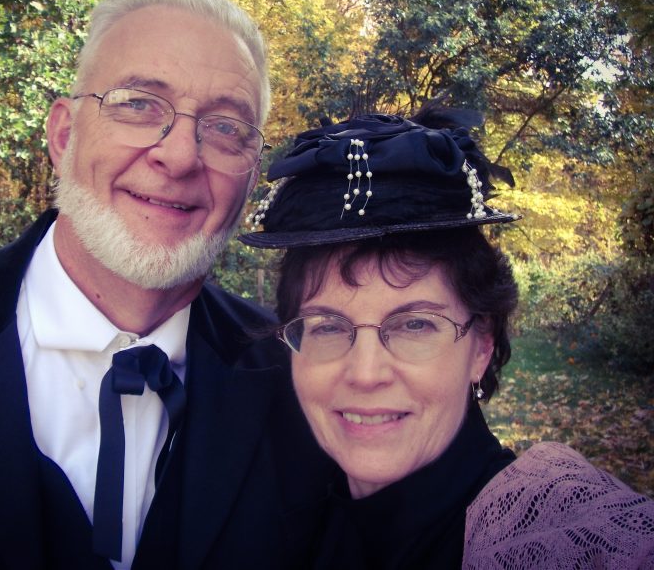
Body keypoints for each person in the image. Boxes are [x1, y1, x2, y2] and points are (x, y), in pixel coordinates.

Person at [0, 0, 332, 570]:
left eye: (226, 127)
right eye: (138, 104)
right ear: (63, 135)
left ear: (252, 174)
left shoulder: (306, 386)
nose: (179, 155)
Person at [240, 112, 654, 569]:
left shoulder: (560, 538)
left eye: (415, 325)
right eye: (329, 326)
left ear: (481, 347)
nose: (365, 373)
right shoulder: (277, 520)